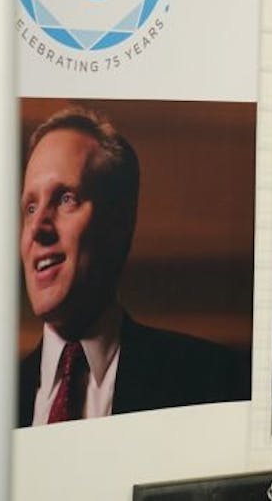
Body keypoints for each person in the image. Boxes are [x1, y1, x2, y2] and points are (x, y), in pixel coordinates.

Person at [17, 106, 248, 426]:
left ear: (119, 223)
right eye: (30, 207)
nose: (37, 228)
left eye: (65, 198)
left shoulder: (212, 379)